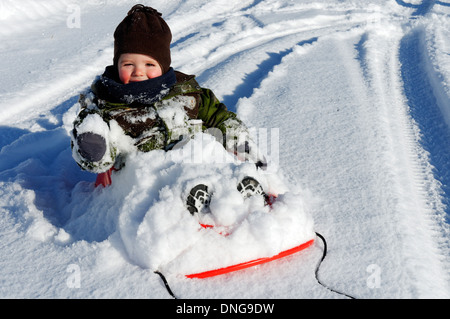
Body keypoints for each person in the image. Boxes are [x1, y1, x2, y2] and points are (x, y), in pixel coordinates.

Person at [71, 5, 267, 214]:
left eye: (149, 64)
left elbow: (217, 116)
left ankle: (242, 192)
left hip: (199, 160)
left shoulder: (185, 92)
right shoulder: (106, 106)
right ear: (116, 65)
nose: (139, 72)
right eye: (128, 64)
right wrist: (93, 145)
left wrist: (238, 139)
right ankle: (192, 204)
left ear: (163, 66)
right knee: (177, 183)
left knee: (212, 158)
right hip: (151, 182)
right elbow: (100, 160)